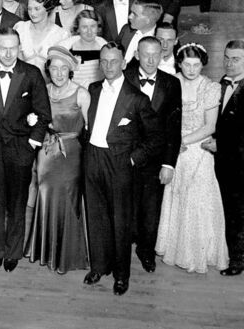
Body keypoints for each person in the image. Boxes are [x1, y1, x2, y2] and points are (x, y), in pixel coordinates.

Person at [82, 43, 161, 296]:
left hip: (120, 163)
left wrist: (132, 160)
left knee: (120, 221)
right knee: (96, 216)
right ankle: (99, 266)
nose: (108, 66)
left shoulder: (137, 98)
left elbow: (155, 138)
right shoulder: (93, 90)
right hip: (93, 158)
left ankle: (121, 275)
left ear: (124, 63)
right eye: (103, 61)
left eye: (113, 61)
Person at [0, 28, 51, 272]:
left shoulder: (31, 73)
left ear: (19, 48)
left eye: (13, 48)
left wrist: (32, 144)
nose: (8, 53)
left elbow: (43, 114)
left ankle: (13, 251)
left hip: (20, 147)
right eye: (3, 48)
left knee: (17, 202)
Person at [155, 43, 228, 273]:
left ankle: (198, 253)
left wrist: (181, 142)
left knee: (197, 201)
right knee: (175, 196)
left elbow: (210, 126)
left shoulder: (210, 87)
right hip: (173, 150)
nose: (191, 69)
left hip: (198, 149)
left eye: (196, 65)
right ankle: (174, 249)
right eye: (187, 64)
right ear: (179, 63)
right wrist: (171, 145)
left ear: (202, 64)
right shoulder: (170, 82)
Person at [25, 46, 90, 273]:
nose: (59, 73)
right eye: (54, 68)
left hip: (71, 152)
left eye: (64, 68)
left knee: (68, 196)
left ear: (70, 70)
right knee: (44, 192)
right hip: (46, 149)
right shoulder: (42, 90)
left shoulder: (81, 93)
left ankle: (66, 255)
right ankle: (45, 249)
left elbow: (90, 130)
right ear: (48, 70)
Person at [123, 36, 182, 273]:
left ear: (162, 55)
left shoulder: (171, 83)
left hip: (156, 160)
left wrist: (169, 164)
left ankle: (146, 251)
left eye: (155, 54)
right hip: (126, 157)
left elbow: (174, 126)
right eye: (145, 54)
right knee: (124, 207)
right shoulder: (123, 77)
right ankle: (120, 252)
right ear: (136, 54)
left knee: (150, 210)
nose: (150, 59)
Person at [213, 39, 244, 276]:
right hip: (224, 163)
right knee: (229, 209)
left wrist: (220, 145)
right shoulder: (221, 85)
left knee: (238, 211)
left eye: (236, 59)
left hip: (240, 163)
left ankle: (238, 260)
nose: (229, 63)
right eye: (226, 57)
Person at [14, 0, 70, 73]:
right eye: (29, 9)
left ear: (47, 8)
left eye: (37, 9)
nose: (32, 13)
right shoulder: (20, 28)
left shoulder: (61, 34)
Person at [60, 9, 107, 88]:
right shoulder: (67, 48)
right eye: (84, 27)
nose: (89, 31)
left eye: (93, 26)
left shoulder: (104, 47)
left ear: (98, 27)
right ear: (78, 28)